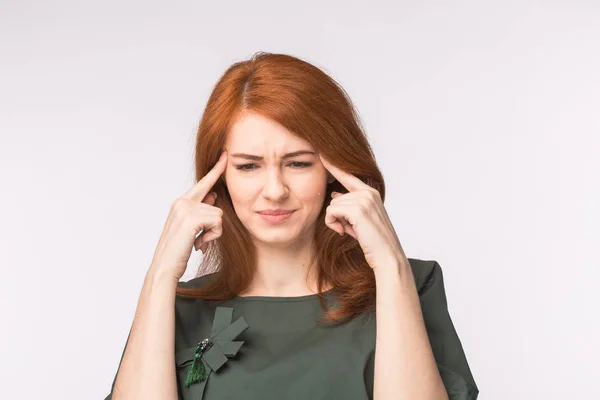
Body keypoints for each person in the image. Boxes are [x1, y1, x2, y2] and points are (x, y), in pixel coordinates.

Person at [103, 51, 479, 400]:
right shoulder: (178, 306)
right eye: (248, 165)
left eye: (298, 163)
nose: (274, 191)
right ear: (219, 180)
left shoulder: (407, 285)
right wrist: (161, 274)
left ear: (335, 172)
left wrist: (389, 264)